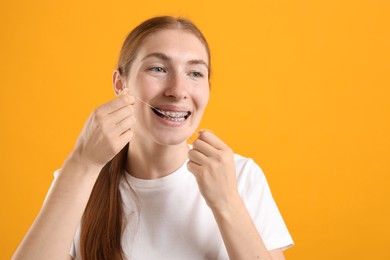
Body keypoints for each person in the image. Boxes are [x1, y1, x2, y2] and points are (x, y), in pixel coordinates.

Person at [13, 16, 293, 260]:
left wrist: (227, 202)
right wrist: (81, 163)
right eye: (158, 69)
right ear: (120, 84)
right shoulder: (80, 179)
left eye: (195, 73)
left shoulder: (241, 177)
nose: (178, 90)